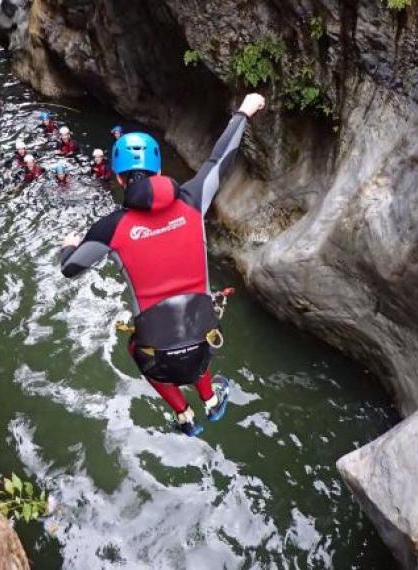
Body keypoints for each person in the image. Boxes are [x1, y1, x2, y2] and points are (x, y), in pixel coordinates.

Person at [59, 93, 266, 436]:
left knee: (140, 347)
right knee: (194, 337)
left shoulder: (109, 229)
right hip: (202, 342)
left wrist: (68, 246)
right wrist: (244, 111)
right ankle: (211, 402)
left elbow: (70, 269)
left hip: (158, 357)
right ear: (157, 170)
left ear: (120, 179)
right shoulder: (193, 199)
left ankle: (185, 418)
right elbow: (221, 159)